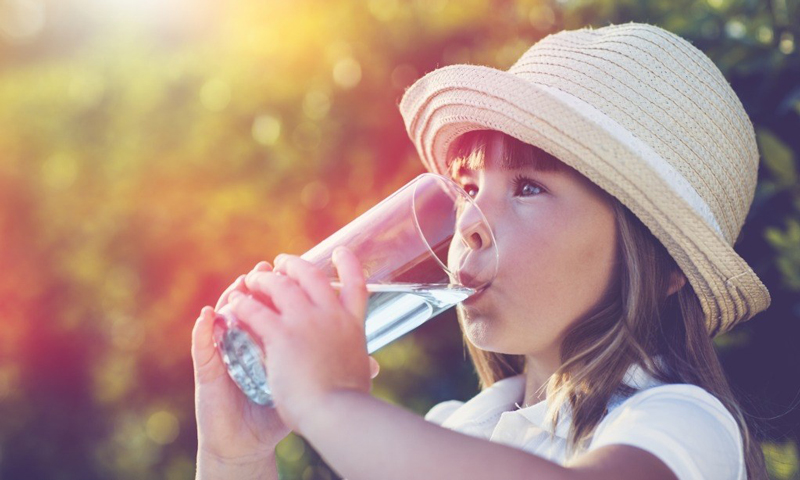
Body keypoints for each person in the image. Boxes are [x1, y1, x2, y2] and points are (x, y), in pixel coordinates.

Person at [191, 22, 772, 480]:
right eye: (469, 189)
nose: (468, 221)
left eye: (528, 188)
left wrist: (333, 405)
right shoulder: (458, 429)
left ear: (665, 264)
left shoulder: (684, 425)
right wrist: (234, 460)